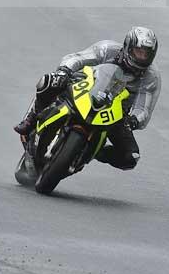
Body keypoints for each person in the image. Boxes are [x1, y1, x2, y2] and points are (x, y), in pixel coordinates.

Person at [14, 26, 161, 171]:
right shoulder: (107, 49)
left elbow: (143, 109)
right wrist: (64, 71)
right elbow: (77, 58)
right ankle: (32, 118)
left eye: (146, 54)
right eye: (138, 52)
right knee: (48, 81)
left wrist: (134, 120)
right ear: (128, 47)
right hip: (87, 89)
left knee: (130, 157)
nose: (141, 57)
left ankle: (95, 151)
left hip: (116, 113)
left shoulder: (151, 77)